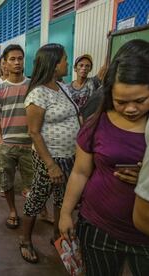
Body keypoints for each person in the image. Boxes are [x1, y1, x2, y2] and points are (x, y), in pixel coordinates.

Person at [59, 40, 149, 275]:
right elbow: (80, 172)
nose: (130, 109)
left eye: (140, 101)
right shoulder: (98, 121)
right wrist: (66, 212)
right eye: (121, 102)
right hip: (99, 226)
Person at [21, 43, 80, 263]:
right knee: (37, 197)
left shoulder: (61, 86)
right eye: (65, 58)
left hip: (70, 155)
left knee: (63, 198)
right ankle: (26, 240)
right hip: (51, 157)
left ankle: (57, 234)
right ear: (54, 64)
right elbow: (34, 132)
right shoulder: (38, 93)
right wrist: (51, 164)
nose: (67, 62)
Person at [0, 45, 33, 230]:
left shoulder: (32, 85)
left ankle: (31, 213)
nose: (17, 62)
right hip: (7, 144)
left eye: (20, 58)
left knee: (32, 183)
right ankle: (13, 211)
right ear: (4, 62)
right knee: (6, 181)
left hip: (30, 145)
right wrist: (0, 141)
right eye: (12, 59)